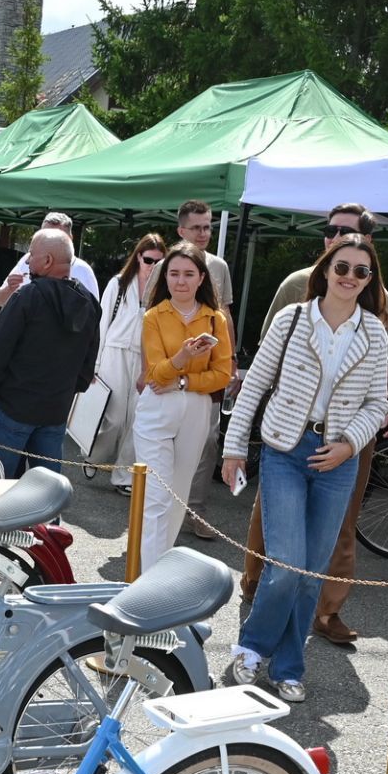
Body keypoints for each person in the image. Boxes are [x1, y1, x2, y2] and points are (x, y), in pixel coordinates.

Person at [219, 234, 388, 702]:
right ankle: (252, 648)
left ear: (370, 280)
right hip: (286, 449)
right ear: (326, 270)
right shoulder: (292, 318)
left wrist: (348, 446)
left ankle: (290, 666)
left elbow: (378, 403)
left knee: (312, 571)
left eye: (361, 271)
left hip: (338, 459)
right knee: (286, 564)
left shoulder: (374, 332)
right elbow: (255, 384)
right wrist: (233, 449)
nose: (350, 277)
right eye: (342, 267)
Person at [236, 203, 388, 645]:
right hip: (288, 434)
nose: (336, 240)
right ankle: (256, 589)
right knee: (277, 534)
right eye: (331, 232)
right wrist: (238, 444)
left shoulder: (379, 305)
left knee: (337, 530)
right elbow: (264, 367)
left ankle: (326, 613)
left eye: (347, 232)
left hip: (350, 435)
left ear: (369, 246)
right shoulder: (295, 288)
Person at [132, 242, 233, 573]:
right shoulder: (153, 316)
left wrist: (184, 381)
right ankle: (147, 578)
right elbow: (155, 374)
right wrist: (183, 357)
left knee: (177, 496)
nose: (180, 281)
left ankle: (158, 569)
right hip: (157, 409)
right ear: (165, 277)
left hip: (196, 409)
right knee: (156, 496)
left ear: (202, 277)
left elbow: (222, 375)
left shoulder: (216, 319)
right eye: (174, 273)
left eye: (189, 274)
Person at [0, 228, 100, 477]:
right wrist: (66, 393)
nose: (26, 261)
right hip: (56, 409)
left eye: (31, 254)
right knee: (47, 490)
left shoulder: (27, 297)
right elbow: (88, 362)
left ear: (47, 261)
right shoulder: (88, 302)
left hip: (12, 407)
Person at [176, 199, 236, 540]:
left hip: (210, 370)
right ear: (181, 230)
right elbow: (148, 318)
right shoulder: (166, 265)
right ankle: (161, 505)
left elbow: (225, 314)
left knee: (208, 441)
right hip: (171, 368)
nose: (203, 233)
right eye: (196, 227)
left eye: (208, 227)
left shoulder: (218, 266)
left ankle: (195, 511)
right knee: (168, 438)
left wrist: (231, 359)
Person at [94, 234, 165, 492]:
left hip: (145, 357)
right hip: (114, 351)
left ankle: (123, 477)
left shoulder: (163, 291)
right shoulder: (119, 283)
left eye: (159, 262)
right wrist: (95, 365)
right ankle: (94, 455)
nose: (153, 266)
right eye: (148, 260)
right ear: (138, 257)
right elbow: (102, 324)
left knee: (136, 418)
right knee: (113, 417)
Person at [0, 211, 100, 304]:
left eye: (55, 238)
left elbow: (92, 315)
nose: (46, 242)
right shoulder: (28, 260)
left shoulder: (83, 271)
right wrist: (9, 289)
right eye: (43, 236)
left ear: (70, 239)